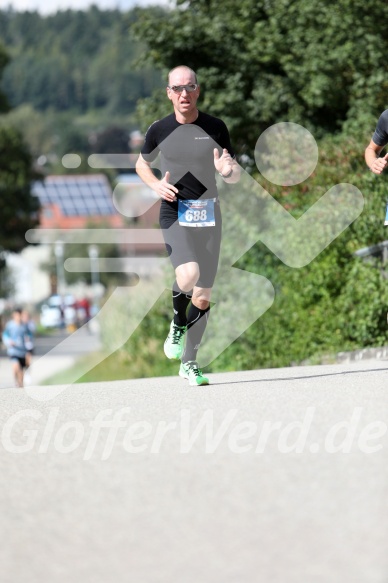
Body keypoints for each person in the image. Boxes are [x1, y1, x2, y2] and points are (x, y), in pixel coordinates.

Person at [136, 65, 240, 386]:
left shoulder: (216, 127)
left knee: (204, 296)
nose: (184, 94)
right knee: (189, 275)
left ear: (198, 90)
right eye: (177, 89)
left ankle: (189, 362)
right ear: (168, 93)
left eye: (189, 87)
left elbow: (234, 174)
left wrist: (226, 170)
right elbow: (142, 164)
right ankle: (178, 323)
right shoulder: (159, 129)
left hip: (209, 215)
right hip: (174, 212)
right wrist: (155, 186)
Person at [2, 307, 33, 388]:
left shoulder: (24, 326)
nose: (18, 317)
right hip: (13, 351)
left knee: (21, 372)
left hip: (22, 351)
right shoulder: (10, 325)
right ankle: (16, 381)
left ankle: (20, 385)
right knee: (16, 367)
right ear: (14, 315)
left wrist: (29, 347)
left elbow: (29, 336)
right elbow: (5, 335)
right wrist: (9, 342)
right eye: (17, 315)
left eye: (20, 315)